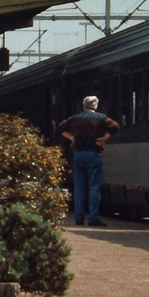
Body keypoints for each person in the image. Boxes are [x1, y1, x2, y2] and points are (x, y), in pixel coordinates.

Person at [59, 96, 119, 227]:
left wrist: (71, 138)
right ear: (95, 106)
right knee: (94, 186)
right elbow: (115, 126)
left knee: (79, 187)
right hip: (93, 153)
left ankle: (79, 218)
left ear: (83, 106)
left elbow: (62, 127)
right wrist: (104, 138)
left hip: (79, 154)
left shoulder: (74, 119)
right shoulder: (101, 118)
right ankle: (93, 217)